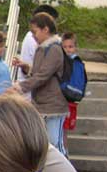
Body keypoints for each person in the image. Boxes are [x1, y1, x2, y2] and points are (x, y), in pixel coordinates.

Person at [10, 13, 68, 154]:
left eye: (35, 31)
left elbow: (43, 75)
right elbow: (40, 72)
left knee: (55, 144)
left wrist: (20, 87)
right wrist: (26, 67)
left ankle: (64, 168)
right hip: (42, 104)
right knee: (45, 144)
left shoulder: (54, 48)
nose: (33, 36)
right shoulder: (43, 48)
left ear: (45, 29)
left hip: (54, 106)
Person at [15, 5, 59, 98]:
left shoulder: (51, 46)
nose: (54, 25)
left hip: (37, 93)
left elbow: (42, 73)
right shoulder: (36, 40)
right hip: (31, 92)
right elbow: (41, 74)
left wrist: (20, 86)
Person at [60, 32, 86, 139]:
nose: (67, 49)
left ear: (75, 47)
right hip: (71, 100)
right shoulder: (77, 62)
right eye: (65, 47)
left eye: (70, 47)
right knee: (63, 130)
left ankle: (63, 149)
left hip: (65, 99)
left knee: (62, 130)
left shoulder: (71, 62)